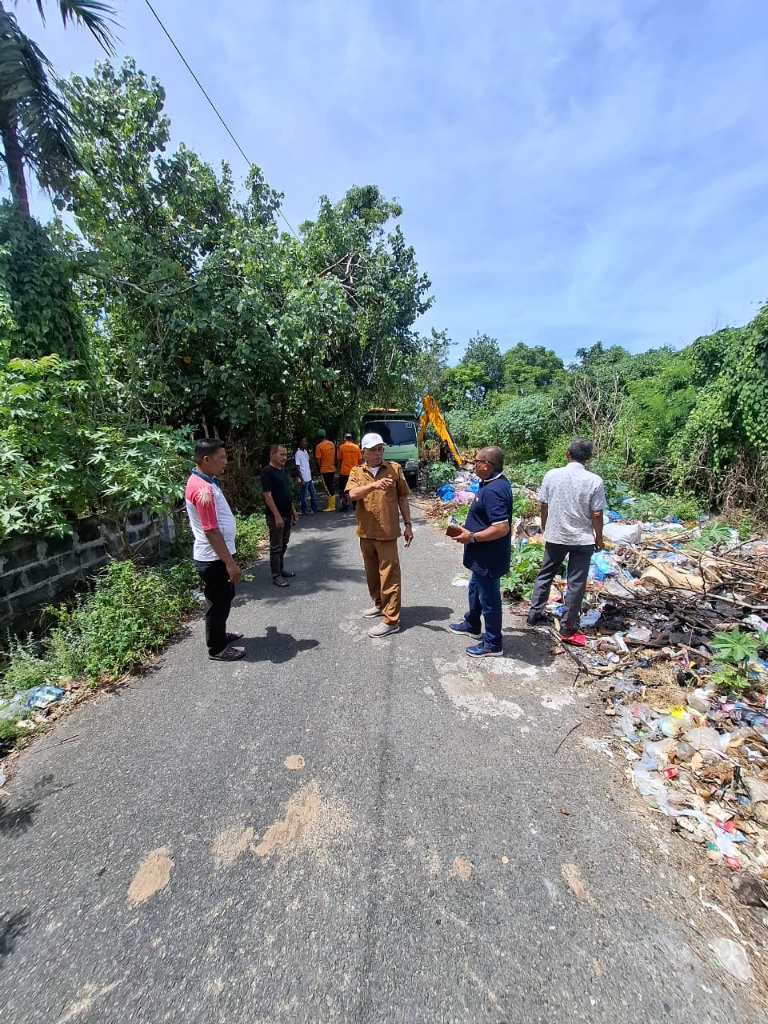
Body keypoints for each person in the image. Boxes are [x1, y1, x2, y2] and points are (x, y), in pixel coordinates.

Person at [526, 437, 606, 645]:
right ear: (589, 457)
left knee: (545, 574)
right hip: (582, 539)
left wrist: (545, 526)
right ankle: (568, 626)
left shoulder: (552, 475)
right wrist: (599, 538)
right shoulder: (594, 480)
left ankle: (534, 614)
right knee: (576, 582)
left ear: (566, 453)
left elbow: (543, 505)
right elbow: (596, 514)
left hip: (556, 536)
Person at [448, 446, 512, 658]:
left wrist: (473, 537)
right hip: (481, 554)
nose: (473, 464)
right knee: (475, 589)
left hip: (489, 556)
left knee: (489, 598)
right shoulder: (490, 483)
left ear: (487, 465)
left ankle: (493, 643)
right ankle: (473, 623)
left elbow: (501, 527)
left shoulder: (494, 490)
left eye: (476, 461)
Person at [347, 432, 413, 638]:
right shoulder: (357, 472)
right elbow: (352, 494)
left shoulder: (394, 469)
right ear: (363, 452)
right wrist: (373, 485)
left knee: (390, 575)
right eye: (373, 450)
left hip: (387, 531)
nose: (377, 453)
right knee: (372, 573)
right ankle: (379, 604)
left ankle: (392, 620)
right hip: (366, 532)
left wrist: (409, 525)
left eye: (380, 449)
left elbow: (403, 497)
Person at [185, 438, 244, 662]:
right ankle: (217, 649)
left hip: (218, 555)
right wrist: (230, 563)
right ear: (206, 459)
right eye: (222, 458)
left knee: (225, 598)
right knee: (218, 602)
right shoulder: (202, 490)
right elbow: (210, 530)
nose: (226, 462)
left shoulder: (206, 481)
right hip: (214, 559)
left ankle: (220, 634)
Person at [260, 444, 299, 588]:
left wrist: (293, 510)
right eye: (281, 454)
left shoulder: (282, 471)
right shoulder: (267, 472)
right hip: (275, 515)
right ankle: (276, 575)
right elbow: (267, 495)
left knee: (284, 543)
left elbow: (286, 492)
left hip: (287, 513)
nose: (284, 457)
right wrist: (276, 515)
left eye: (285, 454)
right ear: (272, 454)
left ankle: (281, 569)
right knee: (276, 546)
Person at [337, 432, 362, 510]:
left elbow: (339, 459)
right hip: (354, 472)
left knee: (342, 488)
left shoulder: (341, 447)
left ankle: (345, 503)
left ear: (345, 439)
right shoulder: (356, 447)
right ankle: (355, 505)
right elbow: (360, 460)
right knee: (354, 488)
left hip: (344, 471)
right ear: (351, 439)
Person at [314, 429, 336, 512]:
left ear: (319, 437)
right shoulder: (331, 444)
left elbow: (318, 460)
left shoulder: (319, 446)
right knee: (330, 486)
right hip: (332, 468)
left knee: (328, 487)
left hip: (324, 469)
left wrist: (319, 468)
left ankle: (331, 506)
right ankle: (331, 504)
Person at [294, 437, 318, 515]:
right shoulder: (298, 453)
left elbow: (308, 460)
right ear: (299, 443)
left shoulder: (305, 451)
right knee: (304, 494)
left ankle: (314, 508)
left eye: (305, 442)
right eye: (303, 441)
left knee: (313, 492)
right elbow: (298, 467)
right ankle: (304, 510)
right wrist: (301, 479)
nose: (304, 443)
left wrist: (310, 455)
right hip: (304, 477)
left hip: (308, 476)